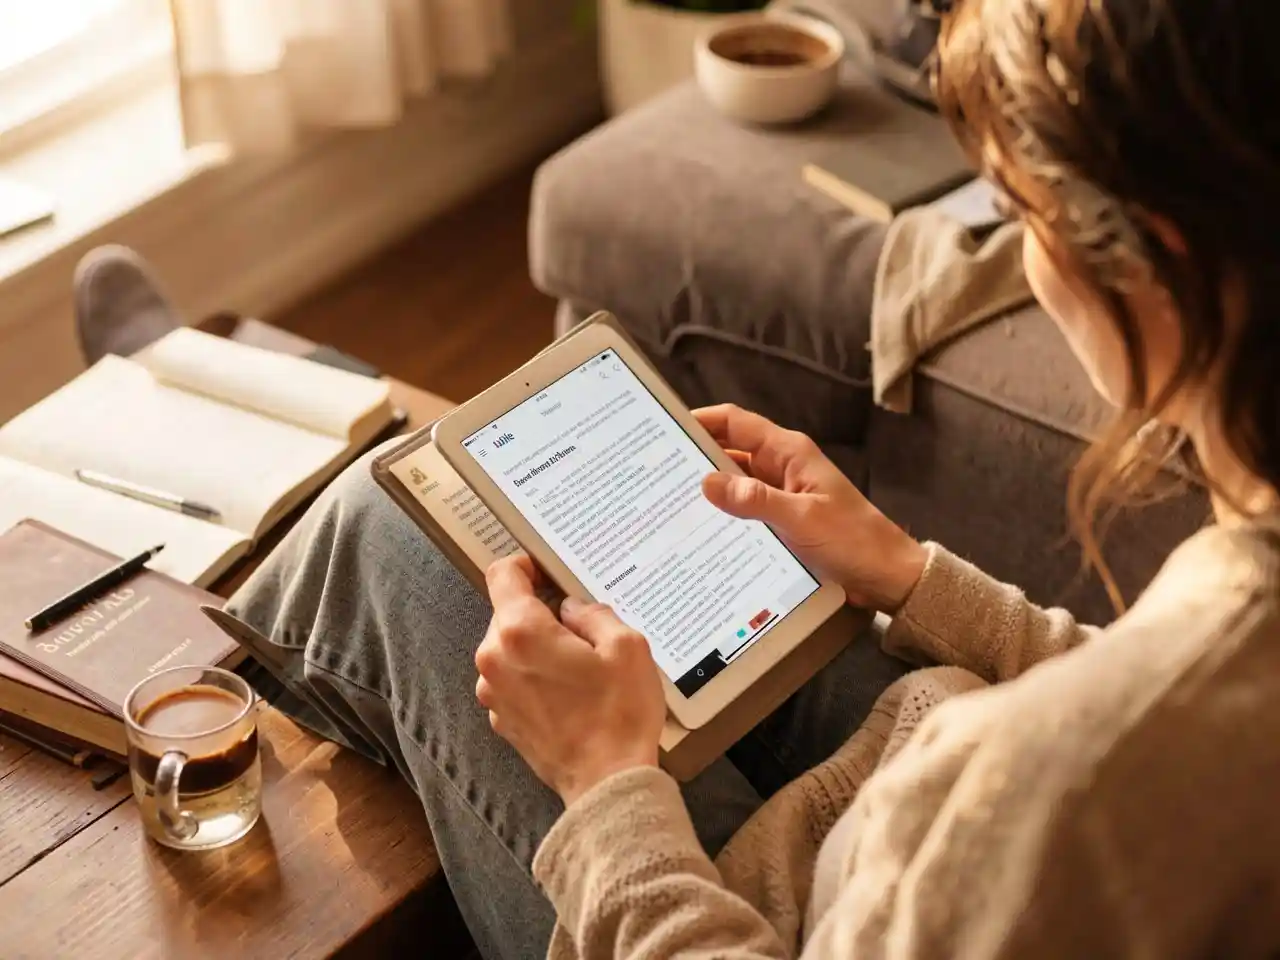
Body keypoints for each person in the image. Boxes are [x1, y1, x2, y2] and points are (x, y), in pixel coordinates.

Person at [228, 0, 1280, 955]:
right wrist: (908, 575)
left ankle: (200, 587)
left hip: (764, 907)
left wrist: (605, 787)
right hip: (909, 757)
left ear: (1153, 260)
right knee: (669, 598)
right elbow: (1158, 696)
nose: (1023, 256)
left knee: (393, 516)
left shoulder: (1020, 800)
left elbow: (1083, 760)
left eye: (1020, 217)